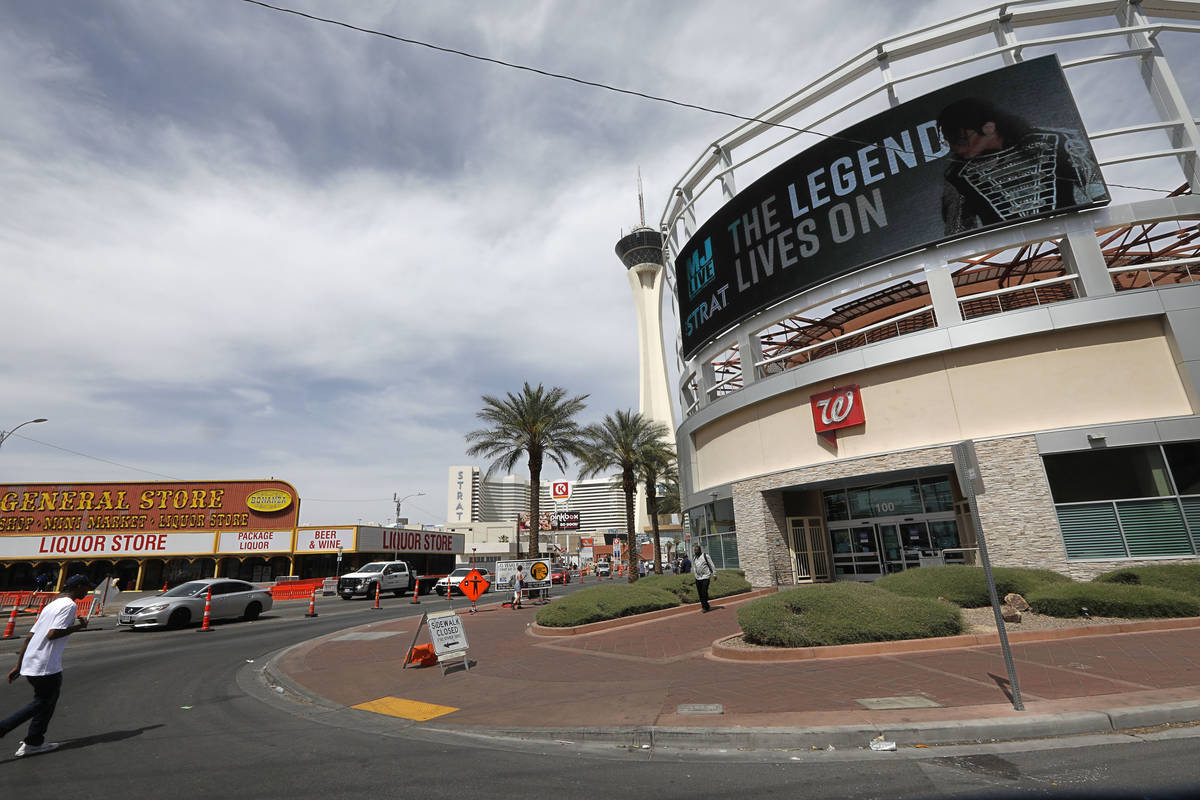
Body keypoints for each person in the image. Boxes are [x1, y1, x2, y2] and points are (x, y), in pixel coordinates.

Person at [936, 97, 1107, 237]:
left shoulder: (1059, 141)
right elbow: (958, 233)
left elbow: (1097, 191)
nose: (954, 148)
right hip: (1011, 248)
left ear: (988, 128)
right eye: (948, 141)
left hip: (1076, 232)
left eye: (959, 139)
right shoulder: (956, 175)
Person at [1, 574, 93, 757]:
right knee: (42, 703)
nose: (87, 591)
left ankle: (34, 742)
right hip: (46, 666)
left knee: (46, 703)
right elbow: (52, 634)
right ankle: (5, 728)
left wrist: (19, 665)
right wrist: (79, 627)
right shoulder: (69, 605)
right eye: (86, 588)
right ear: (79, 586)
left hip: (32, 662)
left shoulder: (52, 605)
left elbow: (30, 636)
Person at [691, 545, 717, 613]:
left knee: (704, 592)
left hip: (706, 576)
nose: (696, 552)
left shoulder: (705, 556)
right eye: (695, 550)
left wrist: (714, 574)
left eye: (697, 550)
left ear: (700, 550)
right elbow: (694, 567)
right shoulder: (694, 558)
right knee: (700, 593)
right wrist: (695, 575)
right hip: (698, 578)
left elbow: (711, 564)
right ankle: (705, 605)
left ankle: (704, 607)